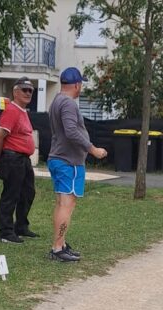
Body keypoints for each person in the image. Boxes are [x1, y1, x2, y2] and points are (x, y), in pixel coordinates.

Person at [46, 66, 107, 262]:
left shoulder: (56, 101)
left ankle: (60, 243)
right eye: (81, 84)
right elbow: (71, 131)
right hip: (68, 162)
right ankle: (57, 248)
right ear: (77, 84)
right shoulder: (69, 104)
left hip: (58, 159)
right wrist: (93, 149)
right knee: (67, 205)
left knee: (61, 204)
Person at [0, 77, 38, 243]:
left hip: (23, 159)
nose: (28, 93)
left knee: (28, 192)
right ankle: (5, 231)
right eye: (24, 90)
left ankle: (21, 226)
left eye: (31, 90)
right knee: (11, 194)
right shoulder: (12, 110)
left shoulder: (22, 111)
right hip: (13, 158)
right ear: (15, 92)